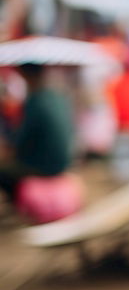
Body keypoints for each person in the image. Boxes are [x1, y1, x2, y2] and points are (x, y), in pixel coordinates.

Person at [0, 64, 75, 201]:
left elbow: (20, 141)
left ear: (25, 75)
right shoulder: (59, 97)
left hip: (43, 167)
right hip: (65, 163)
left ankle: (21, 209)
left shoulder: (35, 100)